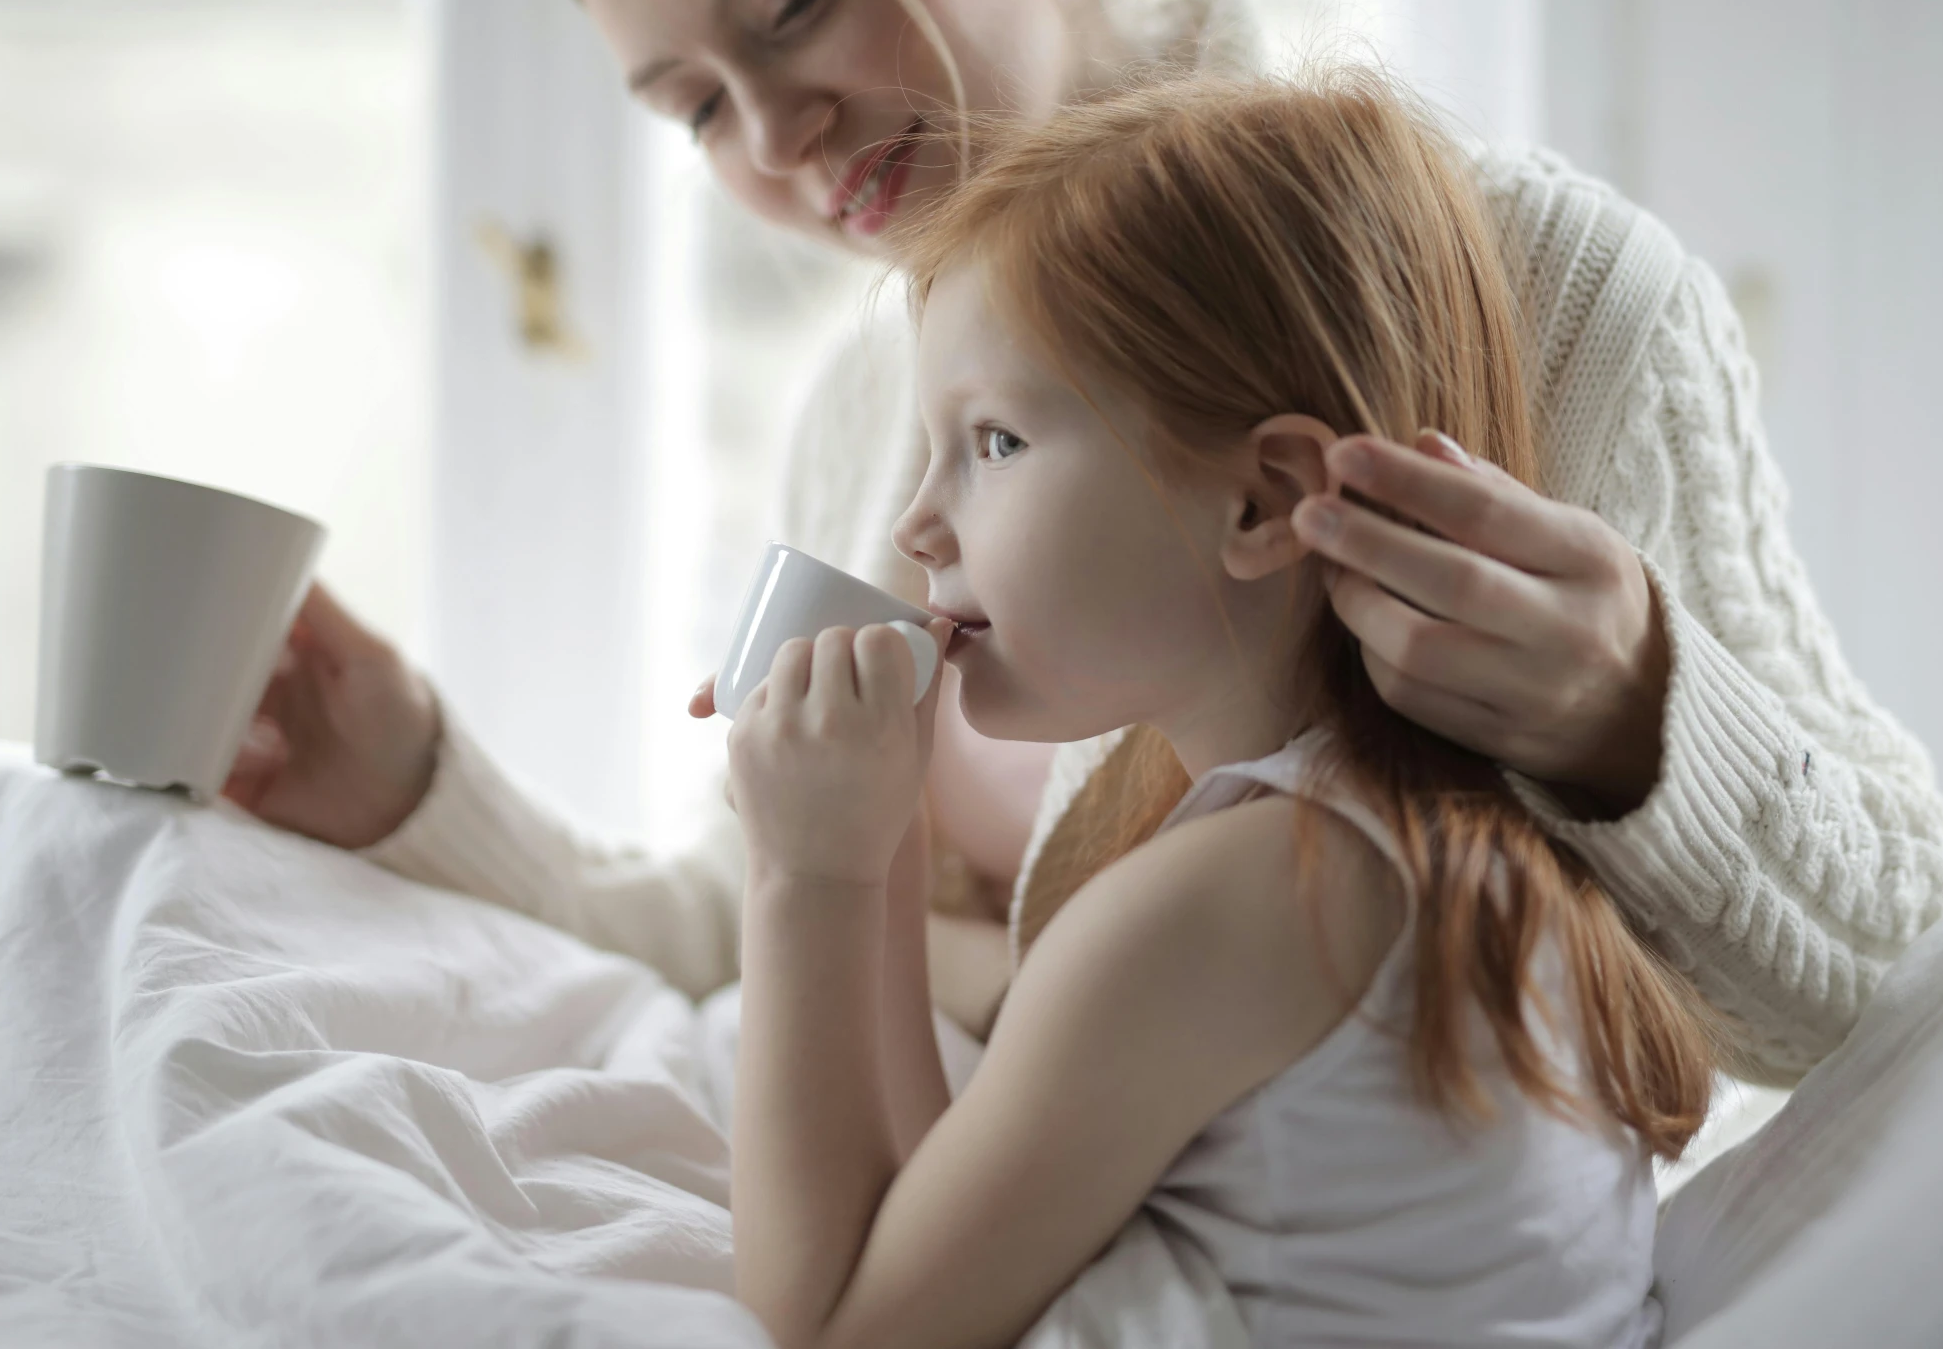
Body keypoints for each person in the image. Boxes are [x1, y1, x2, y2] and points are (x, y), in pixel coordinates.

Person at [222, 0, 1943, 1084]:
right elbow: (740, 917)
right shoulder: (862, 419)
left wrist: (1634, 716)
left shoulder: (1545, 287)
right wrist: (415, 787)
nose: (772, 132)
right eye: (693, 107)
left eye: (795, 1)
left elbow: (1905, 987)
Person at [727, 69, 1714, 1349]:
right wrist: (884, 833)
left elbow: (830, 1331)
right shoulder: (1430, 839)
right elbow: (956, 1231)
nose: (917, 524)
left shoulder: (1224, 903)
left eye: (995, 442)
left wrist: (800, 875)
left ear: (1260, 502)